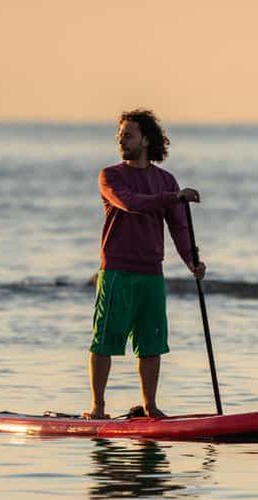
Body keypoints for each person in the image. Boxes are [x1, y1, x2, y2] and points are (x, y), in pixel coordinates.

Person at [84, 108, 206, 420]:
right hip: (116, 272)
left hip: (151, 273)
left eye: (128, 135)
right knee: (105, 339)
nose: (121, 140)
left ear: (146, 140)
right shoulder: (109, 176)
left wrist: (192, 260)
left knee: (151, 343)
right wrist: (173, 197)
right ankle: (98, 407)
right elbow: (130, 203)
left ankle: (150, 407)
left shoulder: (165, 180)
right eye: (120, 135)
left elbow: (178, 226)